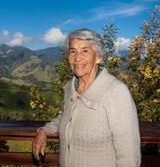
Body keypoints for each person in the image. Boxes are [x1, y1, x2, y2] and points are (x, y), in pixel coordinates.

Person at [32, 28, 141, 167]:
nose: (77, 58)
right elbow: (68, 117)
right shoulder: (70, 88)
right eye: (72, 51)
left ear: (98, 57)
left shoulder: (116, 92)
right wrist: (44, 131)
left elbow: (129, 156)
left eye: (85, 51)